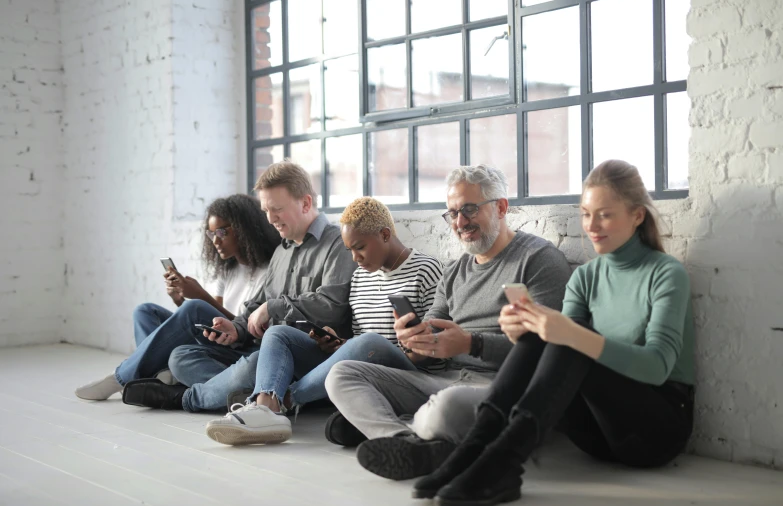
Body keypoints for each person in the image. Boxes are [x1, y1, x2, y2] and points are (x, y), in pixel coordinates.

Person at [411, 159, 695, 506]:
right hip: (595, 436)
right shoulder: (585, 276)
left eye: (604, 214)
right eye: (586, 214)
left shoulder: (666, 273)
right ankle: (474, 449)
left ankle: (501, 462)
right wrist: (525, 334)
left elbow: (656, 368)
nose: (592, 226)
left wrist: (570, 334)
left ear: (637, 215)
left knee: (568, 332)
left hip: (654, 431)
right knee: (544, 332)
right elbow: (557, 360)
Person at [324, 165, 572, 480]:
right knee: (342, 374)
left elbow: (550, 352)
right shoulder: (455, 272)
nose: (459, 222)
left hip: (503, 388)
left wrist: (473, 344)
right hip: (448, 381)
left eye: (469, 210)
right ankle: (407, 443)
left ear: (501, 207)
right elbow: (428, 345)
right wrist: (412, 339)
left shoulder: (538, 260)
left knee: (446, 407)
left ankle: (395, 428)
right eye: (452, 213)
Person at [204, 197, 445, 445]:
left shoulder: (426, 270)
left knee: (368, 342)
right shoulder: (362, 277)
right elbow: (357, 341)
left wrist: (410, 343)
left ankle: (285, 400)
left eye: (359, 247)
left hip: (407, 373)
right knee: (278, 334)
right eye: (349, 249)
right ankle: (266, 407)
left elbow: (437, 354)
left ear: (385, 235)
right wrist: (339, 344)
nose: (355, 258)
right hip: (357, 368)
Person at [119, 161, 357, 413]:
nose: (270, 218)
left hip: (307, 353)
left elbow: (331, 307)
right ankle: (258, 393)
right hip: (264, 349)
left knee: (255, 363)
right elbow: (254, 305)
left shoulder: (337, 244)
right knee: (181, 356)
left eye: (277, 209)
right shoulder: (281, 251)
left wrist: (272, 307)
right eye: (266, 210)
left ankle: (187, 398)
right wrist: (236, 329)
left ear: (306, 203)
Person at [75, 194, 280, 401]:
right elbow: (216, 320)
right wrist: (180, 301)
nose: (215, 240)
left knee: (195, 309)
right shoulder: (228, 270)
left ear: (245, 228)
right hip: (217, 338)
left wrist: (199, 296)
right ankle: (159, 375)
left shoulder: (270, 271)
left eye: (221, 232)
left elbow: (241, 327)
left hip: (242, 344)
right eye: (210, 234)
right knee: (146, 312)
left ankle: (122, 378)